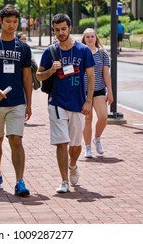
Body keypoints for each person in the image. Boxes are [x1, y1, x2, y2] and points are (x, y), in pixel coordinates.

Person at [36, 13, 95, 193]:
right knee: (61, 142)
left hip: (77, 103)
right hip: (56, 102)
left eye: (63, 29)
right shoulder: (50, 52)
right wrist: (51, 71)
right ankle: (63, 181)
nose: (60, 33)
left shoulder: (83, 50)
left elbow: (91, 76)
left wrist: (88, 101)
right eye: (57, 30)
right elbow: (39, 76)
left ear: (70, 28)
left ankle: (73, 165)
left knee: (75, 145)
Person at [0, 4, 33, 197]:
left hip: (17, 102)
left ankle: (20, 181)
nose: (12, 25)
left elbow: (27, 78)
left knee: (16, 140)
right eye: (8, 22)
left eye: (15, 22)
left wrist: (29, 103)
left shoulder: (23, 48)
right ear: (0, 21)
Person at [81, 28, 113, 158]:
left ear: (96, 38)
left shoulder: (102, 54)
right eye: (87, 37)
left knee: (103, 117)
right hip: (84, 90)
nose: (90, 39)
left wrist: (109, 91)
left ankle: (97, 138)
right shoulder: (80, 53)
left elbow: (106, 73)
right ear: (84, 39)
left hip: (99, 89)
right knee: (87, 119)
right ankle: (87, 147)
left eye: (92, 36)